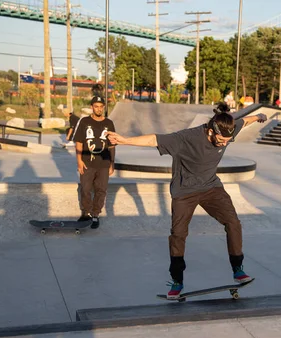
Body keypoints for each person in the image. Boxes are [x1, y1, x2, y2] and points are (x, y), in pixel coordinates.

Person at [107, 103, 268, 299]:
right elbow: (153, 139)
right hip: (184, 192)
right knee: (178, 234)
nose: (224, 144)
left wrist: (259, 115)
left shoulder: (228, 129)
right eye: (220, 140)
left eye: (227, 141)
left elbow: (245, 121)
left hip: (211, 187)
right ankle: (177, 281)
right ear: (210, 131)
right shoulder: (186, 138)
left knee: (233, 222)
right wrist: (124, 140)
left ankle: (238, 268)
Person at [72, 96, 116, 229]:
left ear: (104, 107)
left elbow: (112, 146)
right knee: (85, 189)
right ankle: (86, 213)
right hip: (87, 162)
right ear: (92, 107)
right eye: (96, 106)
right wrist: (79, 161)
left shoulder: (109, 123)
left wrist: (112, 164)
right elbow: (79, 142)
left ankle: (95, 214)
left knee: (101, 190)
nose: (99, 109)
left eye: (101, 106)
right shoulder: (84, 121)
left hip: (103, 164)